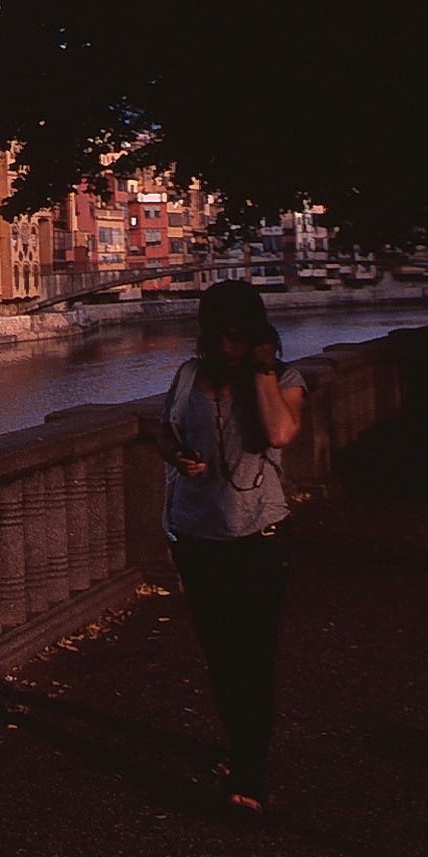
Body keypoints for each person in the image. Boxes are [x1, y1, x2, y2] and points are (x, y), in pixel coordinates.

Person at [159, 279, 307, 815]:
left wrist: (263, 368)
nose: (227, 347)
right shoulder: (186, 377)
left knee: (254, 653)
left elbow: (278, 433)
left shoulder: (283, 379)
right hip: (198, 535)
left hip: (260, 535)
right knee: (220, 652)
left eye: (239, 336)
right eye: (219, 336)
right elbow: (164, 435)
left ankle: (251, 768)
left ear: (257, 335)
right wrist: (178, 457)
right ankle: (241, 744)